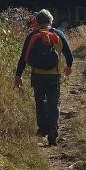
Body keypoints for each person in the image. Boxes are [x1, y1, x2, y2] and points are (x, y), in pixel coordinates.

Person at [13, 9, 74, 146]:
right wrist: (68, 66)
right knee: (54, 104)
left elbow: (23, 58)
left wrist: (18, 75)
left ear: (37, 22)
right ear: (50, 21)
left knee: (40, 103)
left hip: (37, 76)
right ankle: (53, 132)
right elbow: (69, 55)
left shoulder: (32, 36)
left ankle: (43, 129)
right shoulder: (58, 34)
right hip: (54, 76)